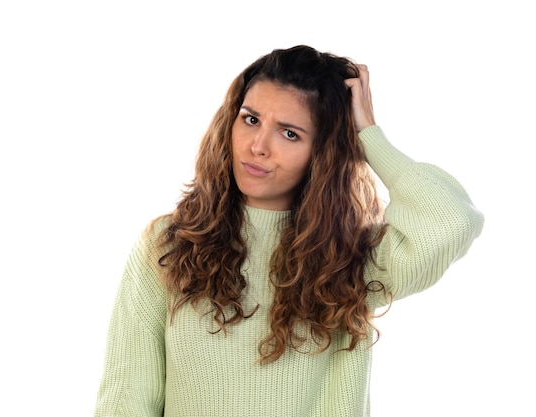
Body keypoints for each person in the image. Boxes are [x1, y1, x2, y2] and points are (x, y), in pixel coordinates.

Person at [93, 45, 484, 417]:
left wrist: (369, 136)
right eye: (250, 120)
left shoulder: (353, 259)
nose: (258, 146)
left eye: (289, 133)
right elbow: (125, 399)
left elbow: (452, 219)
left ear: (324, 152)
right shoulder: (170, 244)